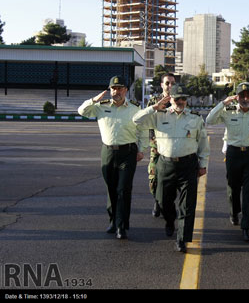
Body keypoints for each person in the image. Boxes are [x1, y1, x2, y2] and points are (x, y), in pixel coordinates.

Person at [134, 85, 209, 252]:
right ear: (170, 99)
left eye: (183, 99)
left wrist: (203, 164)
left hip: (188, 165)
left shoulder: (195, 118)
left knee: (187, 205)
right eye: (177, 99)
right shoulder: (159, 116)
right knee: (162, 200)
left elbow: (203, 143)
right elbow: (136, 120)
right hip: (165, 164)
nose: (180, 102)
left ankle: (182, 239)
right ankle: (169, 220)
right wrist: (154, 107)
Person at [77, 76, 146, 240]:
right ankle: (113, 221)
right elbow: (82, 111)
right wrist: (94, 100)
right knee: (111, 188)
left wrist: (142, 149)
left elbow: (143, 129)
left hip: (128, 152)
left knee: (123, 189)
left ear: (126, 90)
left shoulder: (135, 108)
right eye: (114, 88)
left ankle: (122, 226)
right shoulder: (100, 107)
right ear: (110, 90)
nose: (117, 91)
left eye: (120, 88)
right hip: (108, 152)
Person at [206, 82, 249, 242]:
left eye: (248, 95)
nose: (245, 98)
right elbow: (209, 119)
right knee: (233, 187)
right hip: (234, 154)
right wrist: (224, 102)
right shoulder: (228, 111)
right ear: (237, 97)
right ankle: (234, 211)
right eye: (242, 96)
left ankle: (246, 226)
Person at [146, 73, 176, 218]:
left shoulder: (178, 100)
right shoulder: (154, 100)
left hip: (173, 146)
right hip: (156, 146)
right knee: (153, 178)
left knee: (172, 180)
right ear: (162, 85)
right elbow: (146, 119)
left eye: (172, 83)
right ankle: (157, 200)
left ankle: (167, 203)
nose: (170, 86)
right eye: (167, 83)